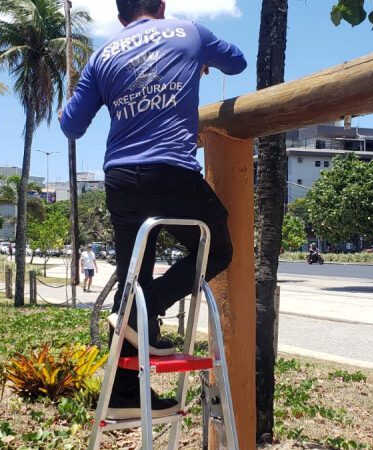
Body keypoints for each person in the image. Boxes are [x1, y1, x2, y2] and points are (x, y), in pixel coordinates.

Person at [60, 0, 246, 420]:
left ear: (121, 16)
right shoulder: (189, 32)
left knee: (133, 276)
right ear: (160, 5)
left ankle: (124, 393)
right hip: (170, 173)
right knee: (216, 248)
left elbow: (71, 126)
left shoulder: (102, 55)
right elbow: (237, 61)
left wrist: (63, 108)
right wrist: (201, 63)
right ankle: (147, 311)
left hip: (121, 180)